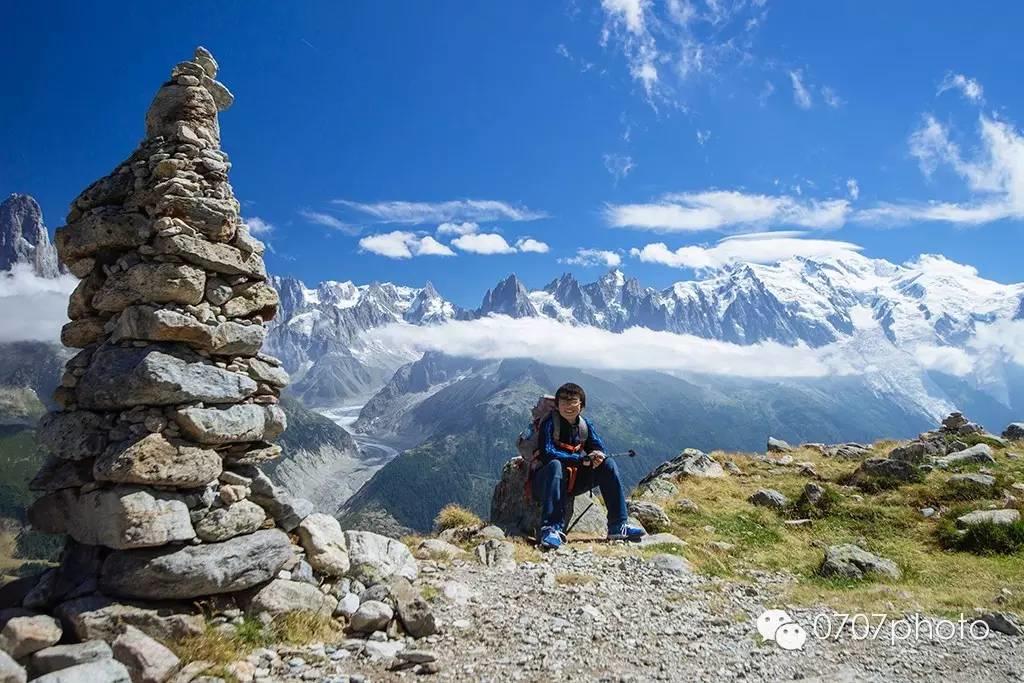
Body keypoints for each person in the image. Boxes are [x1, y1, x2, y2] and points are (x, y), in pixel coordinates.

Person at [531, 382, 645, 549]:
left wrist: (596, 456)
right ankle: (551, 529)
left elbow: (598, 447)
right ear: (557, 405)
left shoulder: (585, 425)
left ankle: (617, 525)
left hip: (571, 481)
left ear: (581, 405)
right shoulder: (549, 424)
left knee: (608, 464)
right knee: (555, 465)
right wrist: (579, 459)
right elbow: (547, 453)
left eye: (573, 402)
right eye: (563, 402)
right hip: (546, 482)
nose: (568, 406)